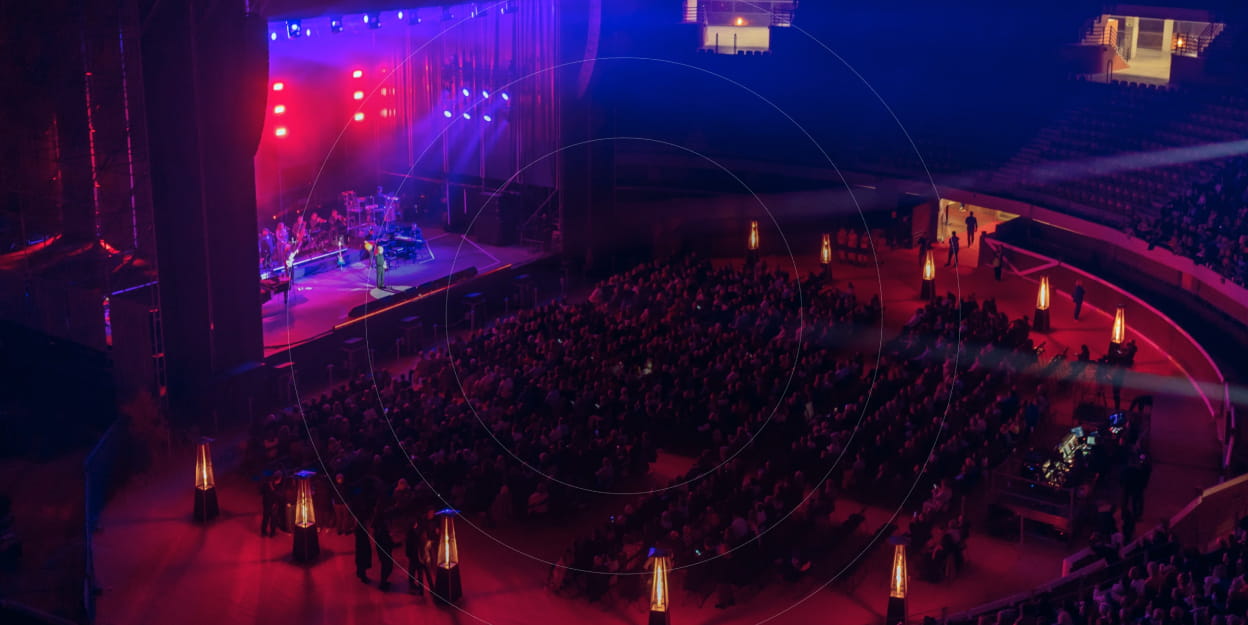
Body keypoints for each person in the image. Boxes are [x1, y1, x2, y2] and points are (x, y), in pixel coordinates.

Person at [405, 522, 432, 595]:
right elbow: (428, 548)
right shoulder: (422, 538)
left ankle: (422, 591)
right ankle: (431, 589)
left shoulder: (413, 536)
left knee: (421, 575)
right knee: (427, 575)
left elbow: (410, 547)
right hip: (423, 559)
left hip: (419, 559)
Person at [374, 513, 397, 591]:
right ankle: (383, 584)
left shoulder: (379, 529)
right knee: (387, 566)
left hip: (383, 551)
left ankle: (383, 582)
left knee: (386, 566)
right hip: (384, 552)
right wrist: (394, 544)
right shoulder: (382, 530)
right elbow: (386, 542)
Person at [260, 472, 285, 537]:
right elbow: (279, 496)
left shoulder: (267, 484)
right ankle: (272, 533)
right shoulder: (279, 486)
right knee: (273, 519)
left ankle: (264, 532)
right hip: (273, 505)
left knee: (266, 518)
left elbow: (261, 492)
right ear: (279, 478)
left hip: (266, 504)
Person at [354, 518, 373, 583]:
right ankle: (363, 576)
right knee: (362, 561)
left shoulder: (358, 529)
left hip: (360, 548)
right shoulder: (361, 530)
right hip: (363, 549)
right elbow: (363, 541)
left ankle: (360, 573)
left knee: (360, 561)